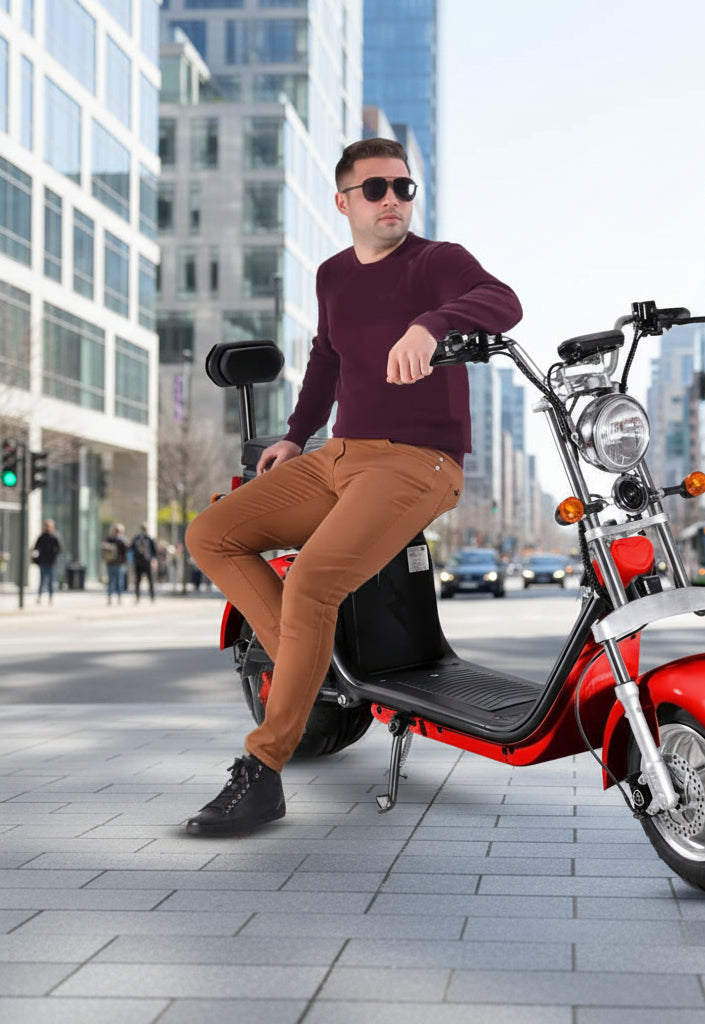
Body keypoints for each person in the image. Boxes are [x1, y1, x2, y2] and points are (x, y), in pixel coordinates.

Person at [183, 137, 522, 837]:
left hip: (418, 463)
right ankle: (305, 657)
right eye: (376, 189)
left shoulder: (437, 262)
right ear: (344, 203)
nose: (393, 199)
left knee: (310, 586)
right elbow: (326, 360)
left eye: (403, 188)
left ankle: (264, 767)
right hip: (338, 455)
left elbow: (502, 300)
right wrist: (291, 435)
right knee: (211, 533)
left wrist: (433, 325)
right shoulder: (334, 274)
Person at [31, 519, 62, 604]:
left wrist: (55, 555)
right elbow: (35, 547)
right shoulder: (42, 537)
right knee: (42, 580)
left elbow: (59, 549)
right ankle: (40, 597)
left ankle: (50, 598)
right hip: (43, 561)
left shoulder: (54, 537)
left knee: (51, 580)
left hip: (51, 561)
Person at [130, 524, 157, 602]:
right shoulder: (136, 538)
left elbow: (154, 551)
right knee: (137, 581)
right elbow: (131, 548)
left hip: (147, 562)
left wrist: (153, 560)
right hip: (138, 562)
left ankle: (152, 597)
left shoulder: (149, 539)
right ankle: (137, 596)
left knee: (150, 580)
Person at [102, 524, 128, 605]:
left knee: (119, 581)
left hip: (119, 563)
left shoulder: (122, 540)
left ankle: (119, 598)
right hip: (112, 563)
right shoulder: (110, 539)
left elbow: (127, 549)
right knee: (112, 581)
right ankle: (110, 597)